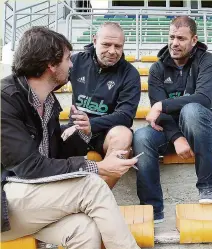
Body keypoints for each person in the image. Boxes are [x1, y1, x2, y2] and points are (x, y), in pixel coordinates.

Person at [1, 26, 140, 249]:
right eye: (67, 59)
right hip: (6, 204)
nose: (72, 65)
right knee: (91, 186)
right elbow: (30, 167)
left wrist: (83, 133)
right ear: (51, 64)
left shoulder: (46, 102)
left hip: (31, 200)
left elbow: (56, 155)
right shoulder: (5, 100)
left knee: (85, 230)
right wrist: (99, 168)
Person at [133, 16, 212, 223]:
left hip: (206, 127)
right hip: (171, 130)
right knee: (141, 136)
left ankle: (208, 187)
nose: (174, 43)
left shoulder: (207, 61)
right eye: (171, 37)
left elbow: (204, 98)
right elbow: (160, 116)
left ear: (194, 40)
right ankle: (152, 209)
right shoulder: (157, 69)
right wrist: (176, 138)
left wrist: (162, 105)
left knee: (192, 110)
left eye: (181, 38)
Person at [62, 22, 141, 188]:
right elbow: (50, 82)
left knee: (124, 135)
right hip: (75, 130)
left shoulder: (130, 73)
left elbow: (125, 116)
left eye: (118, 46)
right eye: (106, 44)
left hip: (106, 134)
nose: (112, 51)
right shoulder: (76, 61)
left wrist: (91, 124)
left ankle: (99, 194)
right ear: (95, 40)